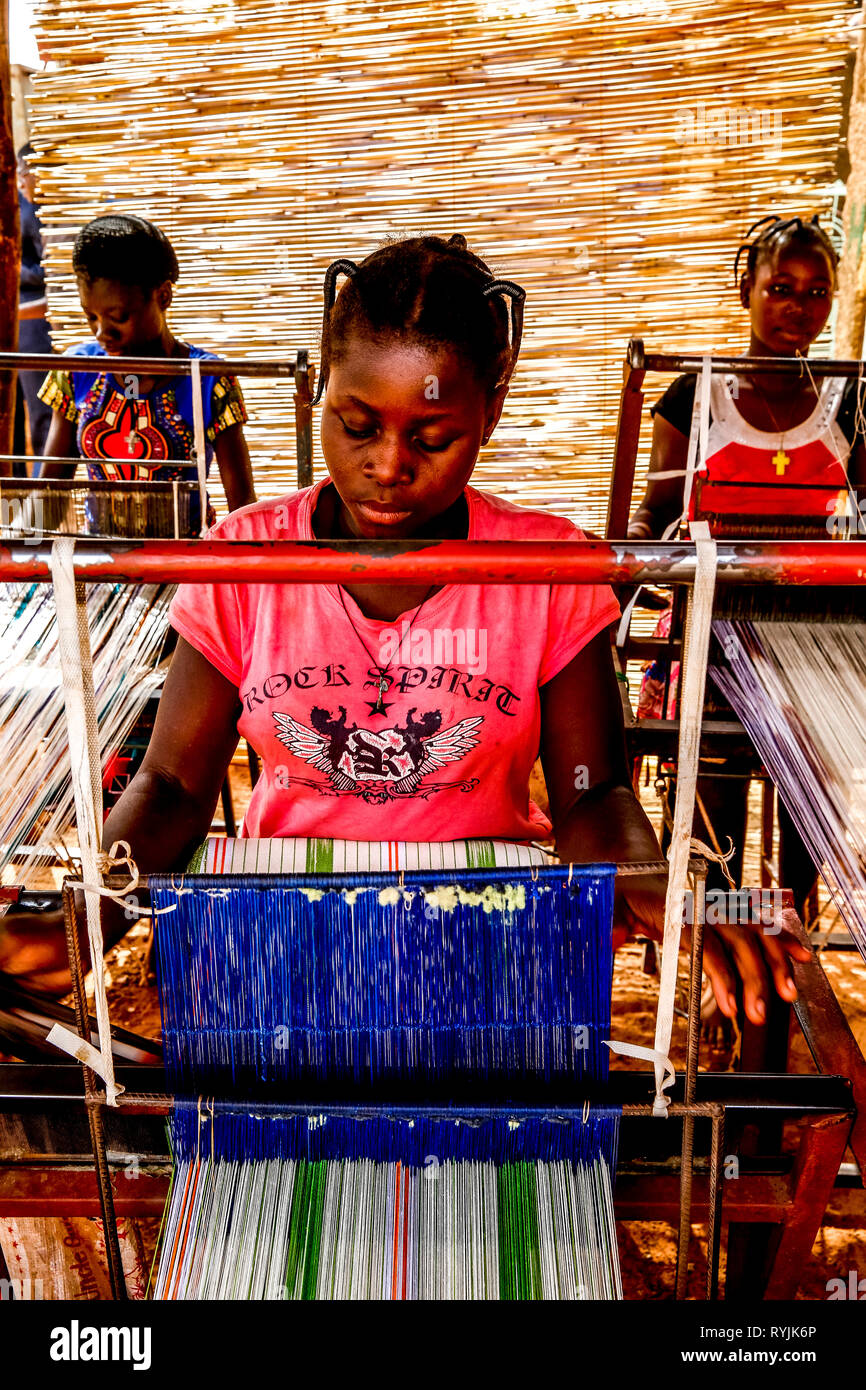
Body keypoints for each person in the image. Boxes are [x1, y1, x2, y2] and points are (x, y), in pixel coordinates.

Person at [0, 234, 810, 1030]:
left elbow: (592, 790)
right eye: (356, 425)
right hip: (284, 949)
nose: (388, 465)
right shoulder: (247, 559)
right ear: (322, 386)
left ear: (491, 405)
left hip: (486, 945)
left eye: (431, 438)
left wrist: (646, 878)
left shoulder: (545, 567)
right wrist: (89, 914)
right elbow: (172, 787)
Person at [628, 214, 866, 919]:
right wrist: (634, 552)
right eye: (781, 287)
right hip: (712, 637)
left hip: (815, 644)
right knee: (715, 820)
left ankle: (790, 942)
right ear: (747, 290)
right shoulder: (692, 396)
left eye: (816, 292)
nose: (799, 306)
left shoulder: (852, 403)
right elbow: (657, 509)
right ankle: (724, 952)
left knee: (806, 824)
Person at [37, 214, 256, 532]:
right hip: (102, 561)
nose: (102, 333)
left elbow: (243, 509)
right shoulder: (78, 370)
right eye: (91, 317)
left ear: (163, 296)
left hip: (185, 563)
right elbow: (48, 502)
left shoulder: (208, 380)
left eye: (118, 317)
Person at [14, 144, 53, 464]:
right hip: (24, 314)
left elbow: (48, 270)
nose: (20, 182)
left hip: (36, 321)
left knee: (44, 412)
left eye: (22, 174)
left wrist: (11, 271)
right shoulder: (22, 202)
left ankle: (47, 496)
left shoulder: (45, 211)